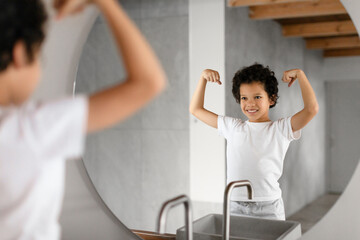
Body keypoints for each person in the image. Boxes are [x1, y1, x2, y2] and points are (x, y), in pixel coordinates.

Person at [0, 0, 166, 239]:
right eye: (39, 56)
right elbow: (148, 82)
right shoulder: (31, 128)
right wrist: (105, 3)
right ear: (19, 53)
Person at [189, 64, 318, 220]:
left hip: (269, 207)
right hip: (234, 206)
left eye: (257, 97)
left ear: (272, 99)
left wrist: (300, 74)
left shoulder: (281, 129)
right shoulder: (233, 127)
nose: (250, 103)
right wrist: (203, 78)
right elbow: (196, 109)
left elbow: (311, 109)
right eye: (244, 98)